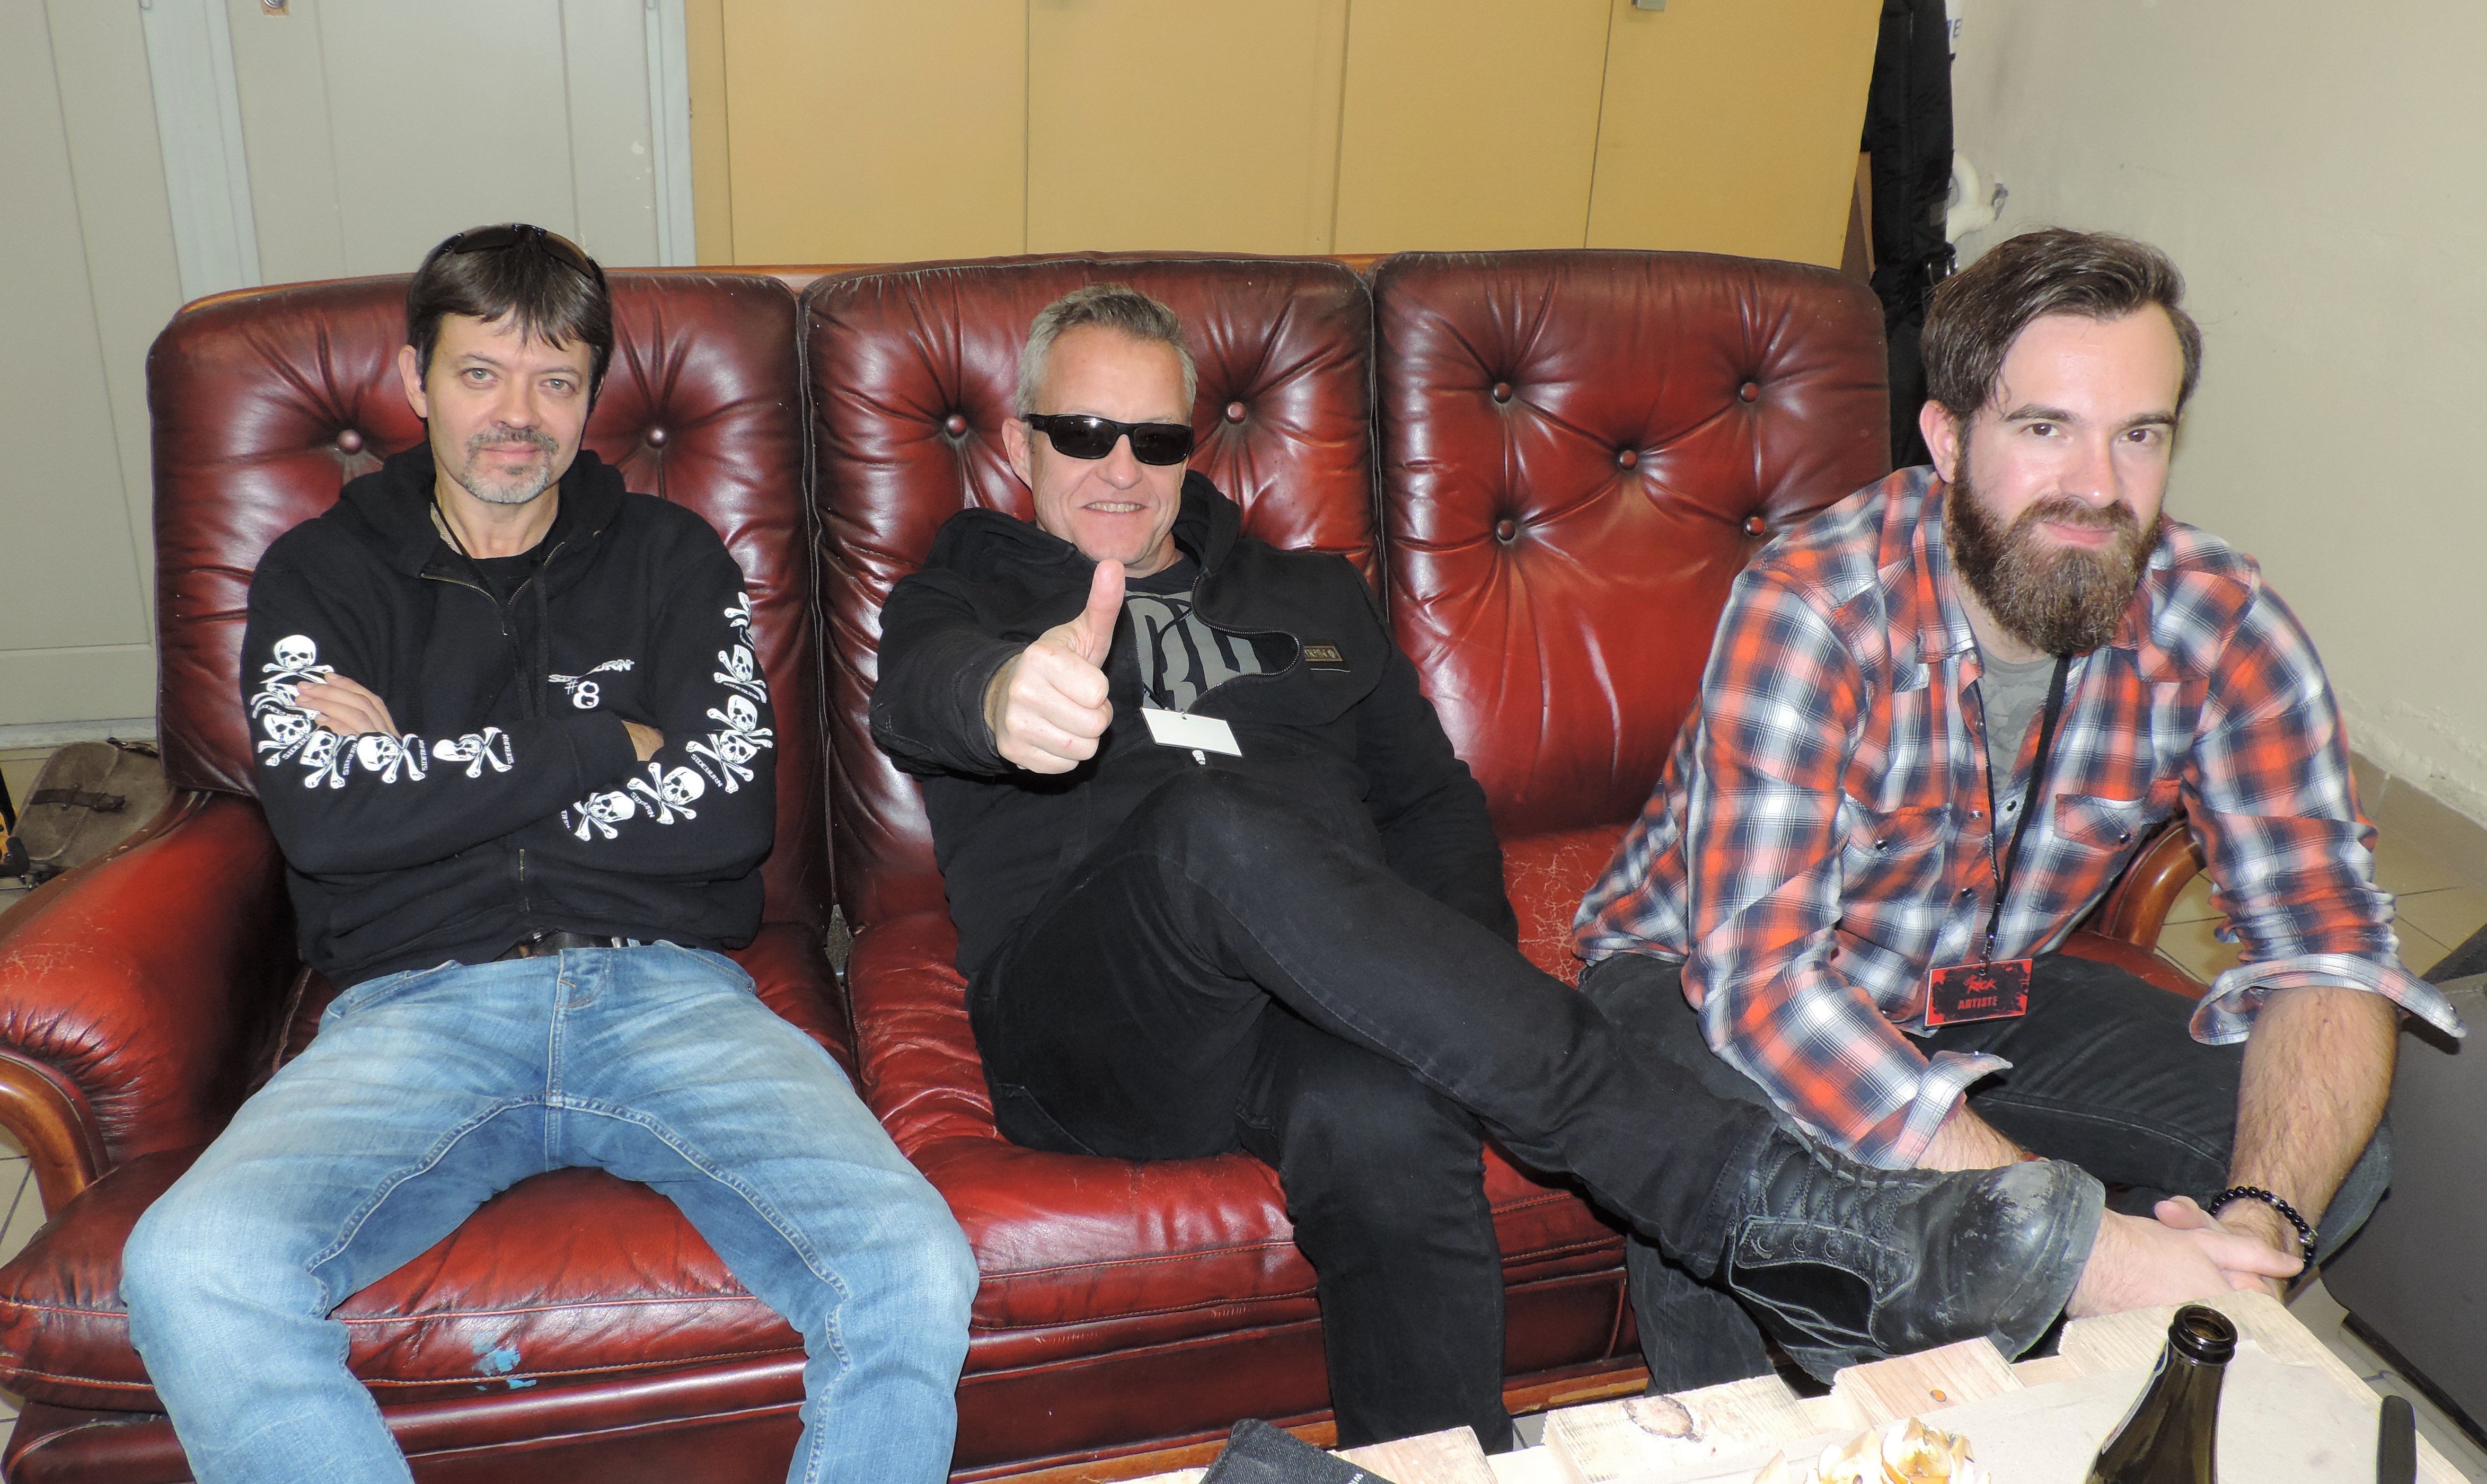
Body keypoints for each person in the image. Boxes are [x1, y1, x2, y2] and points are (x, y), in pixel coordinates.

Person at [870, 282, 2292, 1453]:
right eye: (1082, 431)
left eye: (1153, 433)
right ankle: (1753, 1202)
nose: (1120, 467)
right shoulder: (964, 589)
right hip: (1101, 1017)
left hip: (1312, 1002)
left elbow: (1431, 810)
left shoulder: (1306, 597)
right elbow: (921, 693)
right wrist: (1004, 699)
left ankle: (1444, 1456)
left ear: (1195, 444)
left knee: (1382, 1117)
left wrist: (1442, 999)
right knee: (1210, 824)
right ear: (1022, 442)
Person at [119, 224, 976, 1484]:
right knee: (190, 1265)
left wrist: (418, 763)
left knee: (913, 1262)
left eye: (556, 380)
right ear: (414, 380)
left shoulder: (674, 559)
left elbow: (729, 812)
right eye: (481, 373)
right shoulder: (320, 575)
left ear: (593, 395)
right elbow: (328, 821)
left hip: (668, 991)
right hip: (416, 1005)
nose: (518, 415)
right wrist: (605, 738)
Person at [1574, 227, 2464, 1389]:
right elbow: (1767, 988)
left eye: (2139, 434)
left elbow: (2328, 947)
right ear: (1948, 439)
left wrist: (2258, 1225)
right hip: (1699, 975)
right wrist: (2089, 1249)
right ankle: (1741, 1431)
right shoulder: (1815, 603)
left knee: (2331, 1156)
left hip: (1977, 986)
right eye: (2046, 429)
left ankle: (2072, 1398)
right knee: (1746, 1169)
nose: (2097, 487)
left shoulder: (2219, 619)